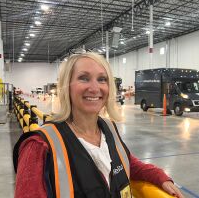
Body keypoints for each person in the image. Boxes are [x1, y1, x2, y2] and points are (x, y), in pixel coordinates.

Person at [13, 52, 184, 198]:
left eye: (102, 79)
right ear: (67, 86)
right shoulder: (39, 146)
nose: (95, 88)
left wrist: (159, 177)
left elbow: (125, 162)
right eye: (84, 78)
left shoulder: (109, 128)